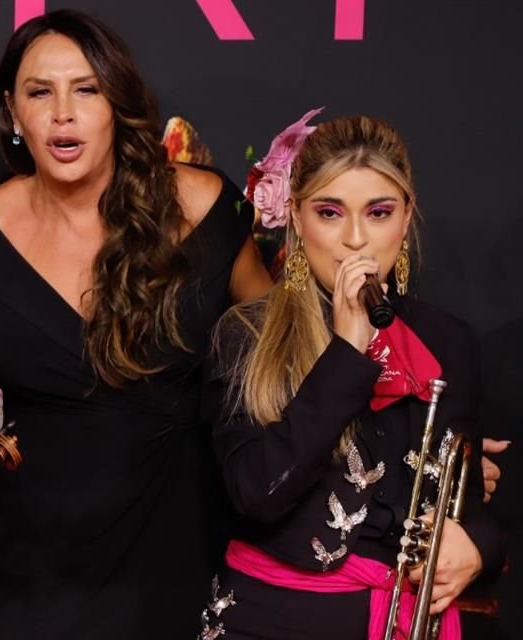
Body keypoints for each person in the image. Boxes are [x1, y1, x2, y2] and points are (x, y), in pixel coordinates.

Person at [0, 9, 272, 639]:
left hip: (182, 539)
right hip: (37, 560)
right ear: (13, 115)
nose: (62, 113)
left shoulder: (206, 204)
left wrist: (393, 425)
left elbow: (281, 350)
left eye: (86, 89)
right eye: (40, 93)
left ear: (116, 105)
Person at [205, 111, 504, 639]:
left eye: (379, 212)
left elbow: (471, 502)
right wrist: (346, 350)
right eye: (330, 212)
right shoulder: (245, 334)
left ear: (406, 219)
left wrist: (478, 546)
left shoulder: (449, 340)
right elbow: (256, 493)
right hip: (273, 622)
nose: (356, 239)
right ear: (297, 218)